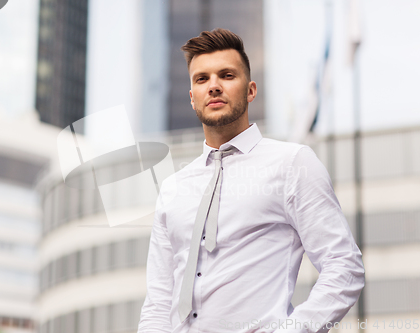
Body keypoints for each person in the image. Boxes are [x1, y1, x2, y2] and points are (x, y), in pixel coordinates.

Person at [138, 28, 365, 333]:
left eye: (227, 75)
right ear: (192, 98)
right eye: (202, 79)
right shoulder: (173, 188)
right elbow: (159, 299)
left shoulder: (292, 163)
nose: (214, 86)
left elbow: (344, 265)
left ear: (250, 90)